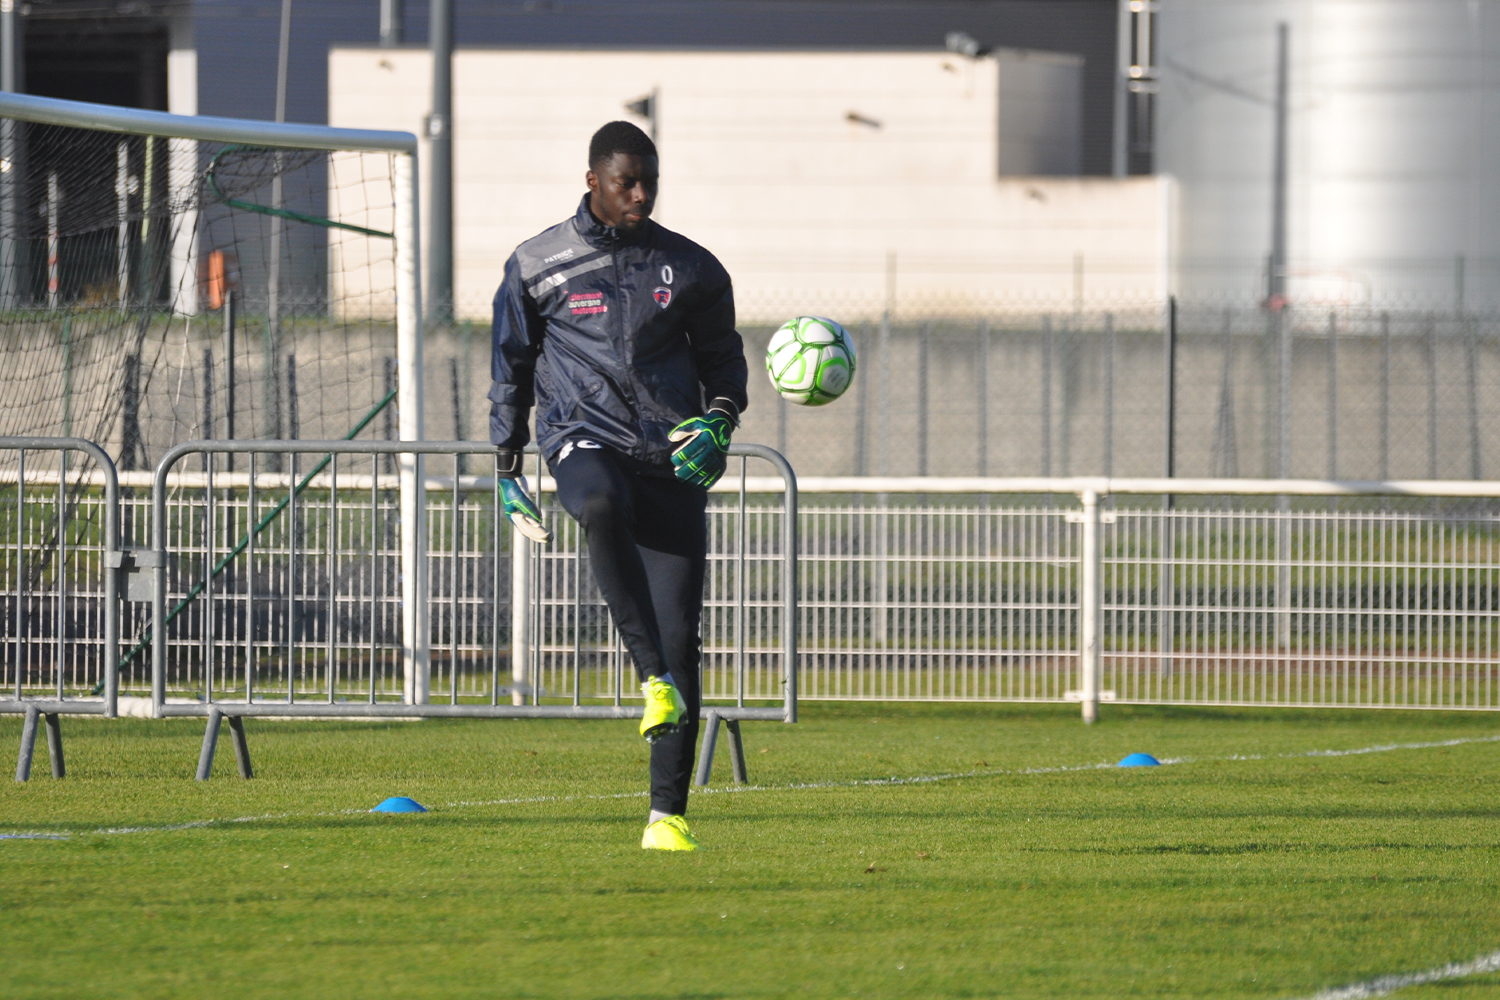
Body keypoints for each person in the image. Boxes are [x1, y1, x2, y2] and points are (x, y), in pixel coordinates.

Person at [489, 120, 748, 852]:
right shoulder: (538, 264)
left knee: (682, 639)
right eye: (626, 181)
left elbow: (726, 365)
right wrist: (507, 462)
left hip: (670, 457)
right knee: (598, 502)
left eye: (650, 180)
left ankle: (667, 816)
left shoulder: (693, 269)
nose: (641, 193)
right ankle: (648, 678)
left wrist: (718, 422)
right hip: (582, 435)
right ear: (592, 181)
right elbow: (511, 366)